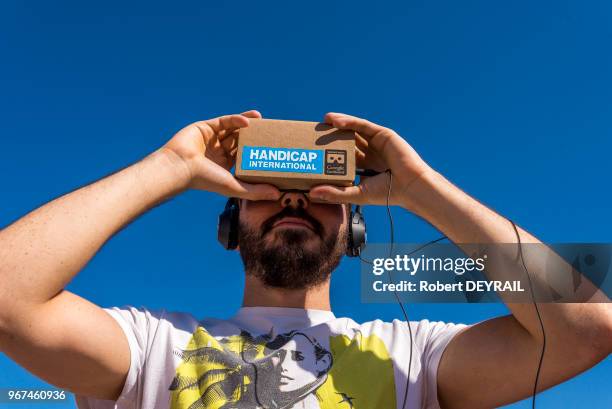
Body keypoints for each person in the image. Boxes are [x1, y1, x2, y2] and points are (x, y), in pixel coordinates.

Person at [0, 110, 610, 409]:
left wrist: (422, 189)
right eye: (262, 193)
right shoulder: (153, 345)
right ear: (229, 228)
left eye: (323, 197)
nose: (293, 200)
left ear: (354, 234)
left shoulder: (415, 357)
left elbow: (587, 327)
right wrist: (171, 168)